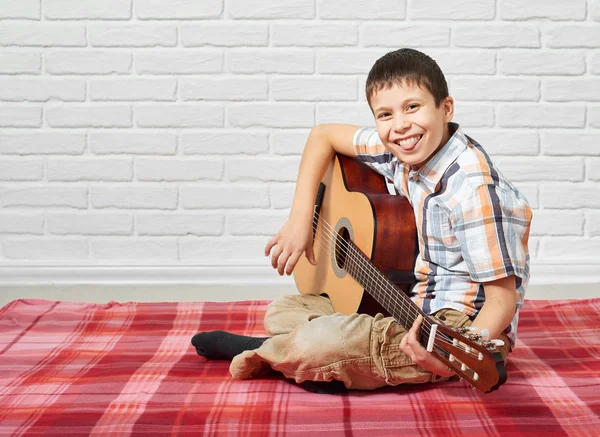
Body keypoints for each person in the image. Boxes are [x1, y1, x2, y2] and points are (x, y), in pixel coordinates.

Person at [191, 48, 532, 393]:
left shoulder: (474, 190)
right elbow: (322, 135)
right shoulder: (398, 146)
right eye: (385, 114)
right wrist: (299, 219)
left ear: (445, 108)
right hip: (412, 300)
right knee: (283, 310)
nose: (400, 125)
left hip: (458, 326)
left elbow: (501, 302)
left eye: (413, 107)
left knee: (319, 343)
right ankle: (323, 357)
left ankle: (278, 352)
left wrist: (449, 350)